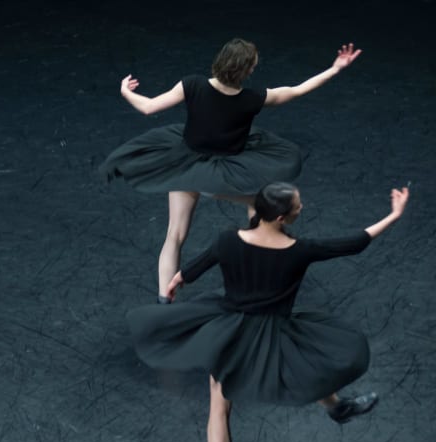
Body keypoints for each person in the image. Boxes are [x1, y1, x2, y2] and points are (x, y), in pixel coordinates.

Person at [127, 183, 409, 442]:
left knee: (219, 410)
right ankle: (336, 409)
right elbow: (355, 243)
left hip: (229, 335)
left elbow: (190, 271)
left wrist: (175, 285)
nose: (302, 209)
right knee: (305, 363)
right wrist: (394, 215)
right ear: (279, 217)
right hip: (275, 333)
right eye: (297, 206)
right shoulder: (300, 249)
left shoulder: (227, 240)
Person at [100, 39, 362, 303]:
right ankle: (260, 264)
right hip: (224, 176)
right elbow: (296, 91)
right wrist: (335, 68)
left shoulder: (192, 84)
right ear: (246, 70)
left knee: (174, 234)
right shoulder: (253, 98)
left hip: (185, 167)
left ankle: (163, 302)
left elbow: (148, 107)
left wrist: (126, 92)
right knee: (259, 206)